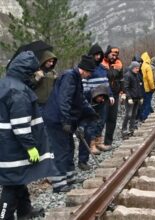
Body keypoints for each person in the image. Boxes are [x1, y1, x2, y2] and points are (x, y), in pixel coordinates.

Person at [0, 51, 58, 219]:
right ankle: (4, 216)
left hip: (6, 143)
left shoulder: (5, 84)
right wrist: (31, 147)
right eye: (33, 71)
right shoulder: (18, 92)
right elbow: (20, 125)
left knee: (19, 178)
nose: (35, 74)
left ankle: (25, 211)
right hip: (13, 146)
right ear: (26, 71)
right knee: (11, 184)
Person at [44, 55, 97, 193]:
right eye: (90, 72)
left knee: (69, 147)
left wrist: (90, 113)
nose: (90, 75)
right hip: (56, 120)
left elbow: (80, 100)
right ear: (84, 69)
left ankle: (69, 177)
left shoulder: (76, 77)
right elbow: (64, 100)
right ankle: (59, 184)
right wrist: (67, 120)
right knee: (60, 150)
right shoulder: (70, 76)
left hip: (64, 119)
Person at [82, 43, 112, 155]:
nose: (98, 57)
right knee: (92, 122)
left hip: (103, 99)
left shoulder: (102, 68)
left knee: (102, 120)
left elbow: (106, 82)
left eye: (100, 55)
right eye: (96, 55)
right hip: (92, 100)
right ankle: (92, 144)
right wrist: (90, 96)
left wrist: (110, 94)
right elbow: (84, 83)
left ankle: (99, 142)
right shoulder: (88, 67)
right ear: (91, 55)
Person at [102, 46, 123, 149]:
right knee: (102, 118)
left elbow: (121, 79)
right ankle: (97, 142)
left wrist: (122, 92)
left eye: (116, 55)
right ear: (108, 53)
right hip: (103, 95)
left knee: (112, 118)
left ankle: (108, 142)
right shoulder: (102, 64)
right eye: (112, 54)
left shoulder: (119, 64)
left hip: (115, 94)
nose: (114, 57)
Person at [122, 61, 144, 137]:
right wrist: (129, 98)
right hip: (130, 99)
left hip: (137, 98)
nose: (137, 69)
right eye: (136, 68)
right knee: (128, 114)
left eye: (138, 68)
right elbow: (126, 88)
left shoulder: (137, 75)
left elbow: (139, 87)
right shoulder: (128, 75)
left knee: (134, 114)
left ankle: (131, 128)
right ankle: (124, 129)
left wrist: (141, 97)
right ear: (132, 67)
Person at [140, 52, 155, 121]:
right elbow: (150, 79)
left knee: (143, 102)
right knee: (147, 103)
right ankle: (144, 117)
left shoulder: (141, 65)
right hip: (147, 88)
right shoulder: (148, 66)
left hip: (142, 88)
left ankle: (140, 116)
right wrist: (152, 88)